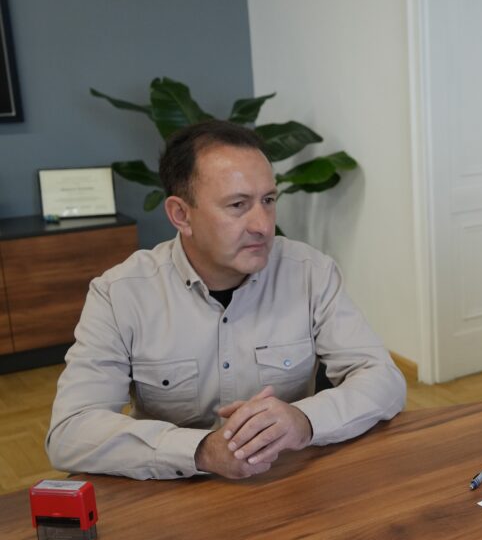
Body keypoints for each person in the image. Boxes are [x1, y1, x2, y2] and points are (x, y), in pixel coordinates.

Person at [47, 120, 405, 480]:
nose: (263, 225)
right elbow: (70, 432)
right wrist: (201, 450)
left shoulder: (311, 272)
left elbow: (383, 379)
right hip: (172, 492)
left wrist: (305, 420)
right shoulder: (120, 294)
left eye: (268, 201)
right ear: (181, 215)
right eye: (237, 205)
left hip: (286, 481)